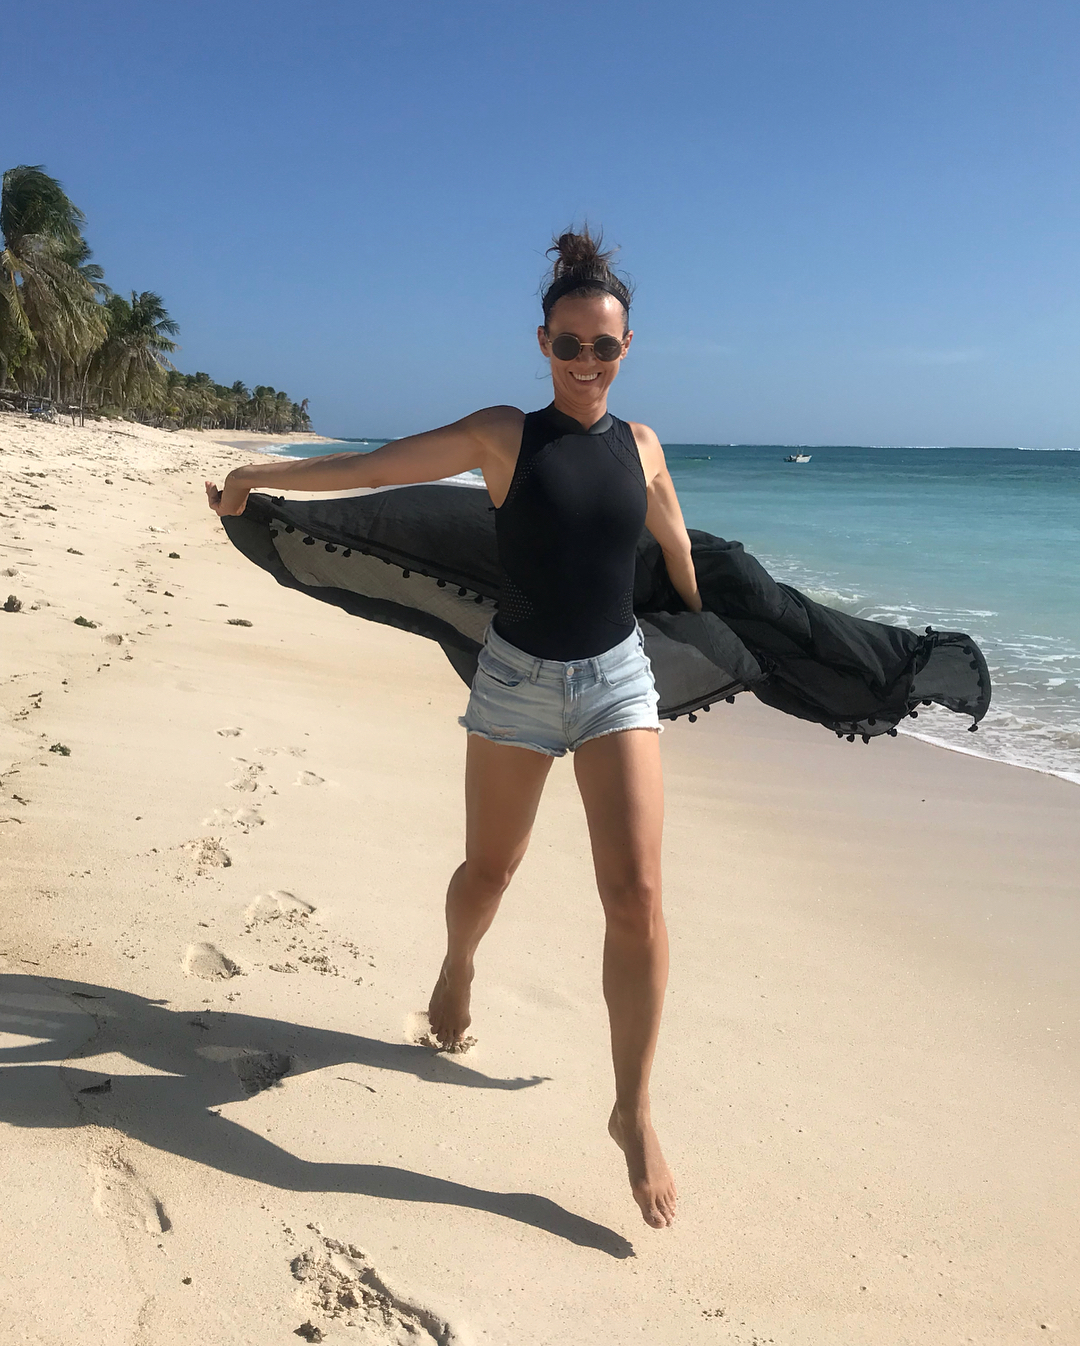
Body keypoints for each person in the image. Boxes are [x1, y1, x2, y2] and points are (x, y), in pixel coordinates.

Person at [206, 229, 701, 1230]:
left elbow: (675, 539)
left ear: (627, 347)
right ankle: (457, 966)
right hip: (516, 684)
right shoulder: (502, 435)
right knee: (490, 872)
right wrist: (260, 475)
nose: (587, 362)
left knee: (638, 893)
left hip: (617, 681)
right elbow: (375, 470)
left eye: (604, 346)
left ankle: (633, 1108)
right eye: (570, 345)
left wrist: (712, 616)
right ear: (543, 343)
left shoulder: (644, 445)